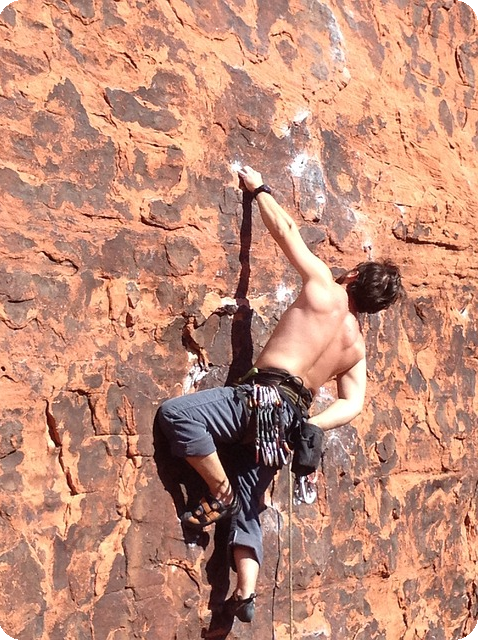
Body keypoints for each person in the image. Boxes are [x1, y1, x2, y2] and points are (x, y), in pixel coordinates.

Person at [157, 165, 403, 624]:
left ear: (353, 276)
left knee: (178, 415)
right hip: (287, 424)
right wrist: (311, 424)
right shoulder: (356, 347)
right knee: (251, 504)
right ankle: (245, 591)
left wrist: (259, 189)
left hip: (260, 398)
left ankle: (219, 491)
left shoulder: (324, 288)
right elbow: (353, 404)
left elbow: (287, 232)